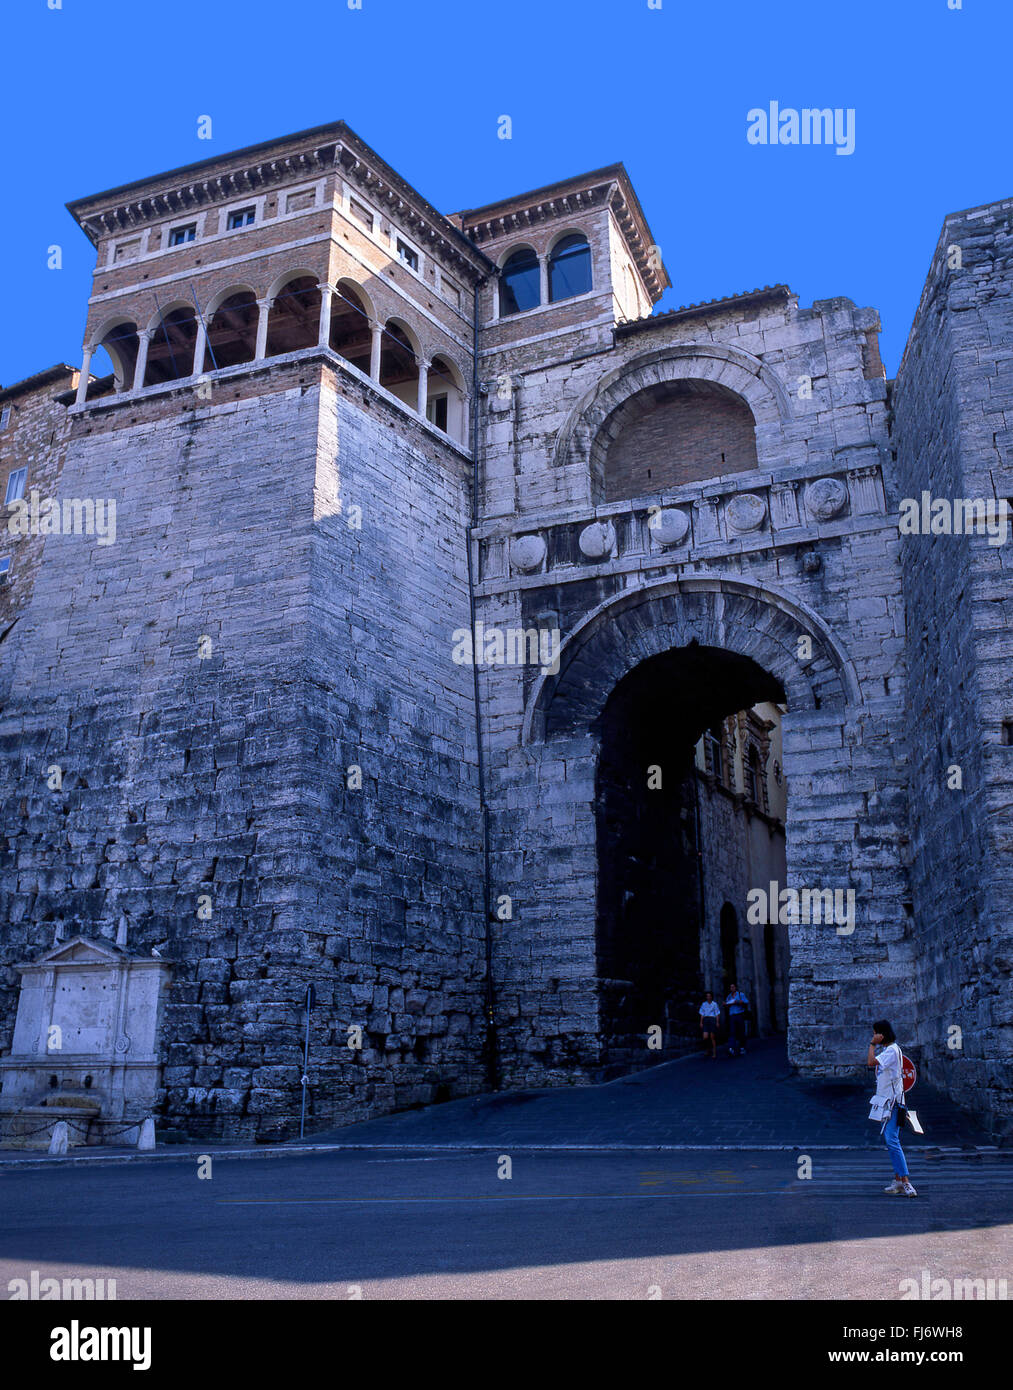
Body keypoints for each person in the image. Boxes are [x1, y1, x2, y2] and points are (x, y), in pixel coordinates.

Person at [867, 1019, 916, 1197]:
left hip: (894, 1103)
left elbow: (870, 1062)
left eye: (875, 1033)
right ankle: (898, 1180)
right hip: (888, 1103)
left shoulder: (891, 1051)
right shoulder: (890, 1051)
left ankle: (906, 1182)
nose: (873, 1037)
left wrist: (872, 1044)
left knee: (892, 1140)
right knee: (892, 1140)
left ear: (881, 1034)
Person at [725, 982, 750, 1056]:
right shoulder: (729, 996)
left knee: (741, 1032)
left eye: (733, 987)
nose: (732, 988)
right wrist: (725, 1004)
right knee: (732, 1032)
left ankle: (742, 1047)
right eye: (730, 987)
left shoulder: (740, 994)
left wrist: (738, 1001)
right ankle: (731, 1048)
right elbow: (727, 1005)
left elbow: (746, 1002)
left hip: (739, 1015)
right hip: (732, 1016)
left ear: (735, 987)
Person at [699, 991, 720, 1058]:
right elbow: (702, 1013)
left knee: (712, 1037)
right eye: (707, 996)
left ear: (711, 997)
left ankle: (714, 1053)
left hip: (712, 1020)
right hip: (705, 1020)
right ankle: (708, 1050)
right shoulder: (704, 1004)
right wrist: (701, 1022)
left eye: (709, 996)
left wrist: (717, 1022)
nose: (708, 997)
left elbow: (717, 1014)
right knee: (705, 1037)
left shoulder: (714, 1004)